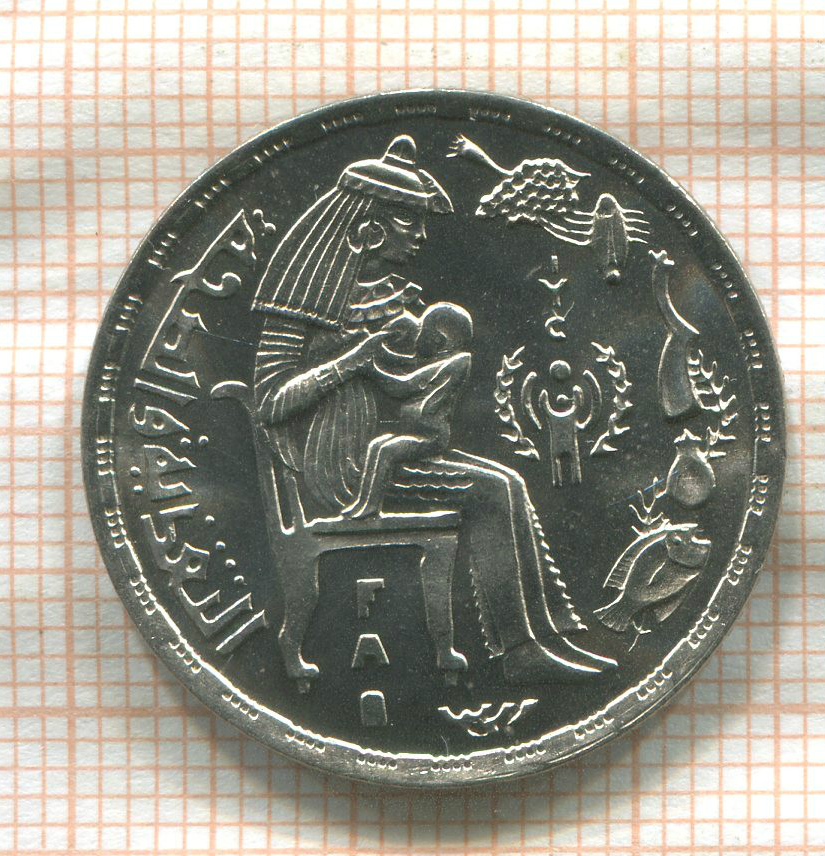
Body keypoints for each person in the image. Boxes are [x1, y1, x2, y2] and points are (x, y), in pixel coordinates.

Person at [251, 135, 615, 683]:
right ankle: (518, 650)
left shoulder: (390, 295)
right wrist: (352, 361)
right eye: (409, 220)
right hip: (342, 470)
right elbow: (271, 405)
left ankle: (548, 634)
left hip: (387, 452)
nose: (422, 235)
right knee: (491, 491)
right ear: (369, 229)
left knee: (509, 482)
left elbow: (405, 376)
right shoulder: (301, 303)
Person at [344, 301, 472, 519]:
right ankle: (362, 502)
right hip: (416, 433)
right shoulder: (439, 361)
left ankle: (371, 506)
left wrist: (370, 370)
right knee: (377, 445)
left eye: (422, 331)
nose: (417, 337)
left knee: (387, 450)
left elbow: (403, 386)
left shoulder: (455, 364)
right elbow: (406, 365)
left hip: (430, 438)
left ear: (438, 340)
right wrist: (377, 352)